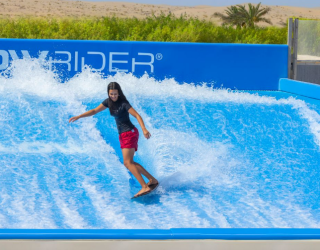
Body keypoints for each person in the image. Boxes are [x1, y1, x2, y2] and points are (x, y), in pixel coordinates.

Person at [69, 82, 158, 198]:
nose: (113, 96)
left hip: (129, 133)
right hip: (123, 134)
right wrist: (79, 116)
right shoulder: (108, 102)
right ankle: (152, 180)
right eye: (111, 94)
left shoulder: (124, 103)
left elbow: (137, 115)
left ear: (119, 93)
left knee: (127, 163)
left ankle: (144, 186)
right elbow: (94, 111)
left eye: (115, 94)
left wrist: (144, 129)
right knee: (130, 162)